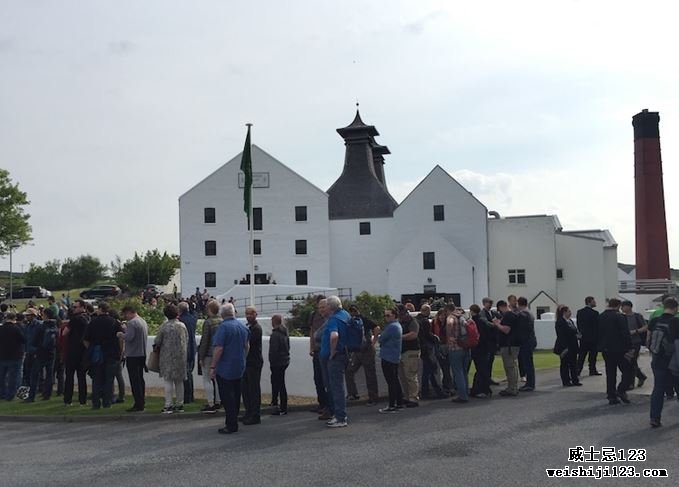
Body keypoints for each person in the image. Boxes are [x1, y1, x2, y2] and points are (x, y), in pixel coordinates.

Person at [210, 303, 250, 434]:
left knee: (227, 397)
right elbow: (247, 346)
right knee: (236, 395)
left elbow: (219, 348)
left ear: (222, 314)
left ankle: (231, 423)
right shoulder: (243, 327)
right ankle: (233, 420)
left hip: (225, 367)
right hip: (239, 366)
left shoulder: (223, 328)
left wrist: (213, 366)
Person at [83, 302, 123, 409]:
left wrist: (92, 349)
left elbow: (86, 340)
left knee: (96, 379)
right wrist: (120, 351)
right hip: (112, 353)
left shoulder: (93, 322)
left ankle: (96, 403)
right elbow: (120, 338)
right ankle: (107, 402)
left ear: (100, 309)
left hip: (98, 353)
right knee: (109, 380)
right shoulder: (114, 322)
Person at [647, 297, 679, 428]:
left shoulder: (654, 321)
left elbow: (648, 339)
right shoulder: (676, 322)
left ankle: (655, 418)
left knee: (658, 389)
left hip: (658, 360)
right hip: (674, 361)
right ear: (676, 308)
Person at [321, 295, 351, 428]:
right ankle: (339, 415)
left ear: (330, 307)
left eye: (326, 305)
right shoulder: (345, 315)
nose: (324, 307)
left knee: (336, 387)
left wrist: (332, 352)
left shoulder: (333, 319)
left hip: (336, 356)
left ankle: (340, 417)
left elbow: (334, 336)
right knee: (337, 386)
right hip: (345, 353)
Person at [597, 298, 634, 405]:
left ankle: (611, 395)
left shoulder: (601, 316)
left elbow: (598, 333)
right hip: (619, 349)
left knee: (610, 372)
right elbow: (625, 333)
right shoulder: (619, 316)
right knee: (628, 370)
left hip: (606, 349)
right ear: (618, 306)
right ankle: (621, 389)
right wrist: (630, 347)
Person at [154, 304, 188, 414]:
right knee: (179, 381)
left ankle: (168, 405)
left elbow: (157, 341)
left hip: (167, 356)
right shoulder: (182, 326)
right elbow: (186, 339)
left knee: (168, 380)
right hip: (180, 355)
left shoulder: (164, 326)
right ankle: (180, 404)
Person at [345, 304, 380, 405]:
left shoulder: (356, 320)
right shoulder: (362, 320)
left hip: (361, 350)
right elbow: (377, 328)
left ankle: (367, 396)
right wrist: (374, 342)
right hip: (362, 349)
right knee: (366, 374)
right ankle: (368, 396)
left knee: (366, 374)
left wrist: (373, 343)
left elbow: (376, 328)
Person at [118, 304, 148, 412]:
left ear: (130, 312)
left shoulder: (132, 323)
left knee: (135, 380)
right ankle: (142, 401)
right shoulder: (142, 321)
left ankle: (138, 404)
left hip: (133, 354)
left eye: (126, 314)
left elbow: (129, 337)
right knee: (140, 379)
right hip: (141, 353)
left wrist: (121, 334)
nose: (125, 316)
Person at [26, 308, 59, 402]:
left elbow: (34, 340)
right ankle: (47, 395)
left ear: (46, 315)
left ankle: (31, 396)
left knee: (34, 374)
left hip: (40, 353)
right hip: (51, 353)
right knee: (49, 374)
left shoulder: (41, 326)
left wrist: (34, 349)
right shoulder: (55, 326)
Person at [63, 300, 89, 406]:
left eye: (75, 307)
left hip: (73, 350)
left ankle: (67, 400)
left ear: (82, 307)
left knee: (69, 377)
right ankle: (82, 400)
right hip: (83, 351)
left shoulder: (75, 319)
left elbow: (65, 333)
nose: (73, 309)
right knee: (81, 377)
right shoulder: (87, 318)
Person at [378, 306, 404, 413]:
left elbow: (381, 339)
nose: (386, 318)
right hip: (394, 356)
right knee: (395, 381)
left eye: (388, 315)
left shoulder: (391, 327)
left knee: (391, 382)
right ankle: (399, 403)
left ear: (394, 315)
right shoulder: (397, 325)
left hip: (388, 357)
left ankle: (392, 405)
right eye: (385, 315)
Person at [198, 299, 222, 413]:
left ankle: (210, 402)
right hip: (219, 353)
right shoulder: (222, 321)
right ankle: (218, 401)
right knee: (217, 379)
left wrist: (201, 356)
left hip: (208, 354)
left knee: (207, 379)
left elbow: (205, 341)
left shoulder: (208, 322)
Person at [492, 300, 521, 397]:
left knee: (510, 367)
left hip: (509, 345)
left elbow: (506, 330)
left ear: (500, 307)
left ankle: (512, 388)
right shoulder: (512, 315)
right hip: (512, 345)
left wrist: (497, 324)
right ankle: (512, 387)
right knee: (512, 366)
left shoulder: (508, 315)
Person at [416, 304, 445, 400]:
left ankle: (434, 391)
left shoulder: (416, 320)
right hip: (427, 348)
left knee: (429, 371)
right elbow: (427, 335)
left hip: (421, 348)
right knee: (429, 370)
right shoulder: (425, 321)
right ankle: (430, 391)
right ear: (427, 311)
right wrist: (435, 338)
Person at [241, 306, 263, 425]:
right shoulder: (247, 327)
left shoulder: (256, 328)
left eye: (250, 313)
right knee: (246, 389)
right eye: (246, 314)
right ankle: (248, 412)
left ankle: (255, 415)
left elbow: (248, 343)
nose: (248, 316)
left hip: (254, 362)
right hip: (246, 362)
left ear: (255, 314)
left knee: (253, 389)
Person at [308, 296, 328, 414]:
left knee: (325, 379)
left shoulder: (329, 318)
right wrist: (311, 347)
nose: (320, 309)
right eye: (319, 306)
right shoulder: (313, 315)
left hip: (324, 351)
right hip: (316, 350)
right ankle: (321, 403)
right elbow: (311, 331)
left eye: (323, 307)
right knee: (318, 379)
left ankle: (327, 405)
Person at [621, 300, 648, 388]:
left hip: (635, 341)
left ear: (629, 307)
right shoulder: (621, 317)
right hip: (625, 342)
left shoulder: (637, 316)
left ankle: (630, 383)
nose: (622, 308)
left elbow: (645, 327)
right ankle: (641, 376)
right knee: (629, 362)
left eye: (623, 306)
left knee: (632, 361)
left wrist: (635, 331)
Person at [398, 304, 420, 407]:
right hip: (402, 351)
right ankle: (407, 397)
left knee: (410, 375)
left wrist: (399, 337)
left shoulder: (412, 321)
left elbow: (414, 334)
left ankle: (413, 398)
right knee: (403, 376)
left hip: (411, 351)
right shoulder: (400, 322)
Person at [446, 308, 470, 403]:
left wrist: (449, 336)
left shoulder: (451, 317)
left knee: (458, 372)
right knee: (464, 372)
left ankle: (462, 395)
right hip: (465, 347)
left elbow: (449, 323)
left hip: (455, 347)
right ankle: (466, 391)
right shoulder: (463, 318)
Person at [469, 304, 493, 398]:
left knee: (480, 370)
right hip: (485, 347)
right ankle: (483, 389)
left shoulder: (474, 321)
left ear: (472, 311)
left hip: (478, 348)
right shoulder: (484, 320)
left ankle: (482, 389)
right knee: (483, 369)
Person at [0, 313, 26, 401]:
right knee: (14, 376)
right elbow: (23, 340)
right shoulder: (16, 329)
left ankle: (2, 393)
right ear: (14, 318)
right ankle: (11, 395)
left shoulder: (1, 328)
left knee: (2, 377)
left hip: (2, 355)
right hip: (15, 355)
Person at [554, 305, 581, 387]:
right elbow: (562, 335)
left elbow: (574, 331)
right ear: (564, 312)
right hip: (565, 346)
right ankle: (566, 381)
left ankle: (575, 380)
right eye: (569, 311)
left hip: (573, 346)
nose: (570, 313)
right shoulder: (560, 322)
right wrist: (564, 348)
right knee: (565, 364)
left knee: (573, 364)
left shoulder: (570, 321)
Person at [269, 314, 290, 416]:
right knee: (281, 384)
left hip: (277, 363)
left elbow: (273, 351)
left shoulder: (275, 335)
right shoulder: (285, 333)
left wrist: (271, 362)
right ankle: (281, 405)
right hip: (284, 361)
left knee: (279, 384)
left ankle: (281, 407)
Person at [577, 297, 601, 376]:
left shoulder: (580, 312)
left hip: (584, 338)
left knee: (581, 356)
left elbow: (579, 324)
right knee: (593, 356)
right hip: (593, 338)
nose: (595, 303)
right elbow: (597, 326)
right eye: (594, 301)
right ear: (589, 302)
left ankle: (578, 371)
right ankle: (592, 370)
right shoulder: (595, 313)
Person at [178, 302, 197, 404]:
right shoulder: (193, 318)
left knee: (185, 374)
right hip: (192, 347)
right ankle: (191, 395)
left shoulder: (181, 321)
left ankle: (187, 396)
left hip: (185, 348)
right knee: (189, 373)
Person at [517, 297, 537, 392]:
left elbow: (521, 330)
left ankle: (530, 384)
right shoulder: (529, 313)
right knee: (529, 363)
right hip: (531, 340)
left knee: (527, 363)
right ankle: (530, 383)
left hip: (526, 342)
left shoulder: (523, 314)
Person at [432, 308, 453, 394]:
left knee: (446, 368)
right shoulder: (434, 323)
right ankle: (446, 386)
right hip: (439, 346)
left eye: (443, 315)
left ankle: (447, 386)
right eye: (440, 315)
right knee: (443, 367)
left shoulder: (448, 323)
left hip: (447, 346)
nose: (442, 317)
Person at [481, 298, 501, 386]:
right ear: (484, 303)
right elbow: (486, 323)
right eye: (489, 303)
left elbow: (501, 318)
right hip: (486, 341)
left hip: (493, 340)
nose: (490, 305)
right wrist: (495, 324)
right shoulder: (482, 313)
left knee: (491, 360)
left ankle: (489, 377)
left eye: (491, 303)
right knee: (486, 361)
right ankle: (485, 379)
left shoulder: (493, 313)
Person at [21, 308, 40, 387]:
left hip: (36, 352)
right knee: (27, 371)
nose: (26, 317)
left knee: (36, 372)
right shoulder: (27, 326)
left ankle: (37, 387)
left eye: (28, 315)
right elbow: (25, 339)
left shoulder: (39, 325)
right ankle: (29, 387)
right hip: (28, 352)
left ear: (33, 316)